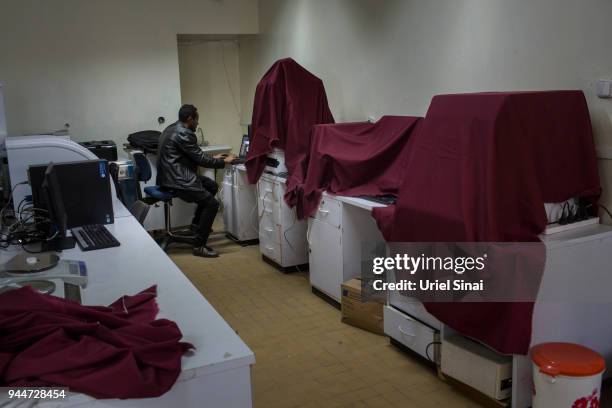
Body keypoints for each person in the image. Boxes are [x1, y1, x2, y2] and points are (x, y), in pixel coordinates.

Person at [156, 104, 235, 257]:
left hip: (169, 178)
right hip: (179, 180)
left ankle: (196, 227)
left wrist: (213, 158)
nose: (198, 123)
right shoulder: (185, 133)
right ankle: (199, 245)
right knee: (212, 204)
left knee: (211, 185)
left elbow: (193, 155)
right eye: (197, 120)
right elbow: (199, 158)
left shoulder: (170, 128)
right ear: (190, 119)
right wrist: (225, 161)